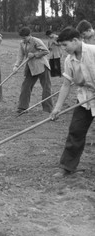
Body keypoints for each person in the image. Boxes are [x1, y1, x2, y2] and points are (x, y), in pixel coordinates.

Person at [50, 27, 95, 177]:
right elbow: (66, 84)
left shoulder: (93, 51)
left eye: (65, 45)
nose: (63, 49)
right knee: (75, 131)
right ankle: (67, 167)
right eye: (61, 46)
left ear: (75, 40)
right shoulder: (69, 60)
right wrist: (57, 108)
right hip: (85, 98)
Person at [13, 27, 53, 114]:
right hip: (31, 67)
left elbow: (46, 51)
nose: (23, 39)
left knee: (46, 87)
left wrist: (35, 54)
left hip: (42, 66)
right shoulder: (22, 43)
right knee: (26, 86)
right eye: (22, 38)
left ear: (29, 35)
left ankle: (47, 109)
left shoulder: (36, 41)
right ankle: (22, 107)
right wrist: (16, 66)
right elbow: (20, 55)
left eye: (25, 37)